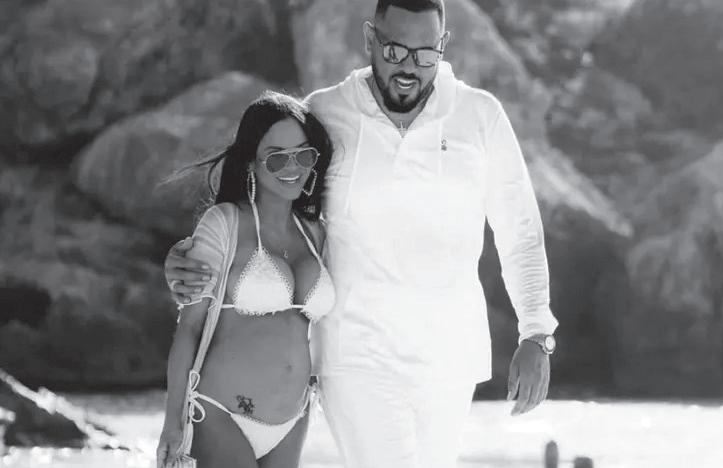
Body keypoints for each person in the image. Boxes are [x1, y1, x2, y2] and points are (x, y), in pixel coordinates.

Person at [165, 1, 558, 467]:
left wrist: (536, 332)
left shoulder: (480, 115)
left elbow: (520, 229)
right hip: (355, 355)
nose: (408, 67)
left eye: (424, 54)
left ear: (443, 45)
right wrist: (191, 259)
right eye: (394, 51)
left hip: (450, 357)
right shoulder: (326, 113)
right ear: (370, 38)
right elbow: (272, 203)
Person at [156, 92, 334, 468]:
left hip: (293, 419)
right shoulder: (224, 223)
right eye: (277, 157)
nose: (292, 167)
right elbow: (189, 328)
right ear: (251, 162)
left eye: (303, 155)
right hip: (221, 413)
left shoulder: (316, 233)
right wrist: (172, 422)